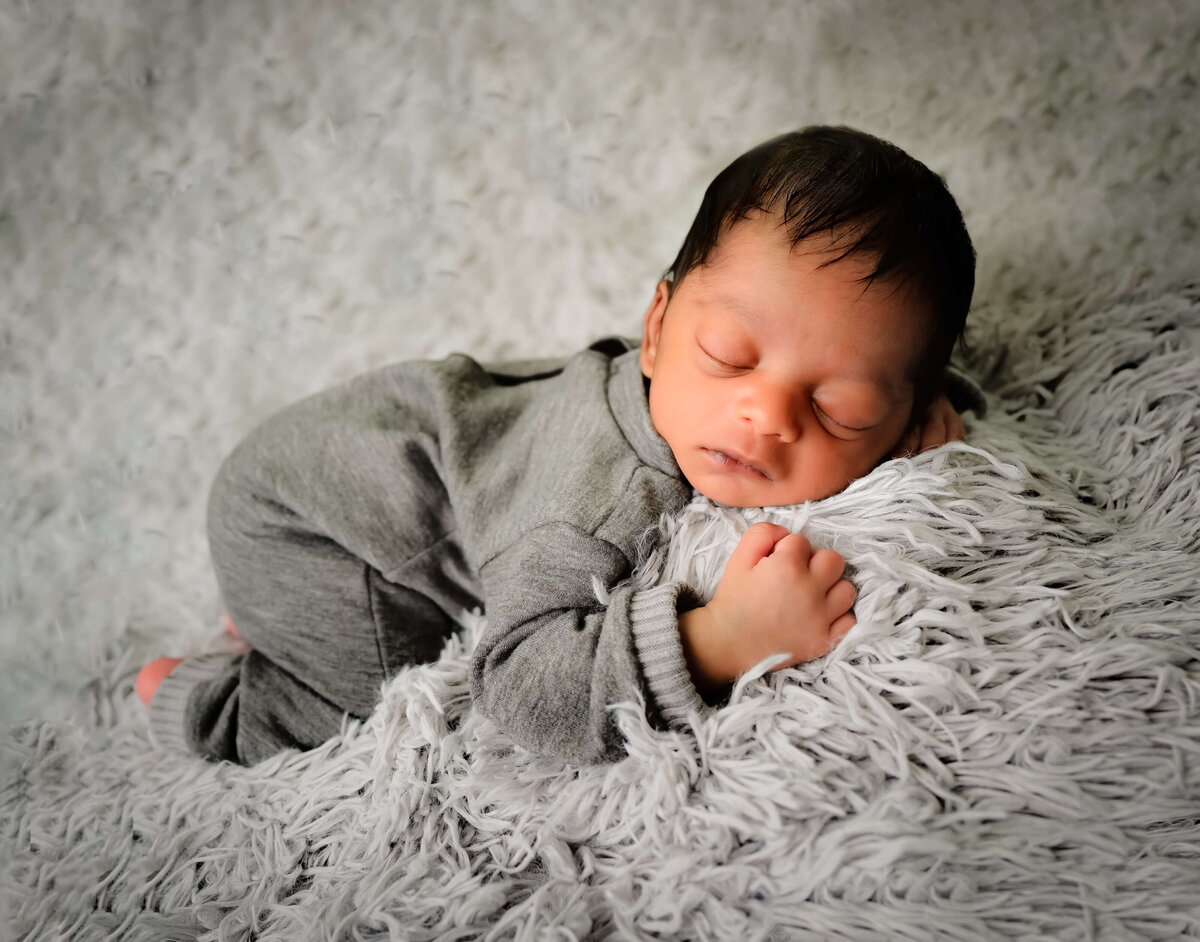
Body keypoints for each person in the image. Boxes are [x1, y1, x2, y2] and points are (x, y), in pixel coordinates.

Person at [138, 125, 984, 765]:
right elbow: (523, 693)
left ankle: (284, 621)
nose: (765, 414)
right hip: (315, 520)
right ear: (655, 331)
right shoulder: (601, 497)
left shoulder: (725, 400)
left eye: (840, 408)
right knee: (362, 711)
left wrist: (922, 417)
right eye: (728, 357)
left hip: (380, 471)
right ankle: (203, 693)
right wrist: (718, 639)